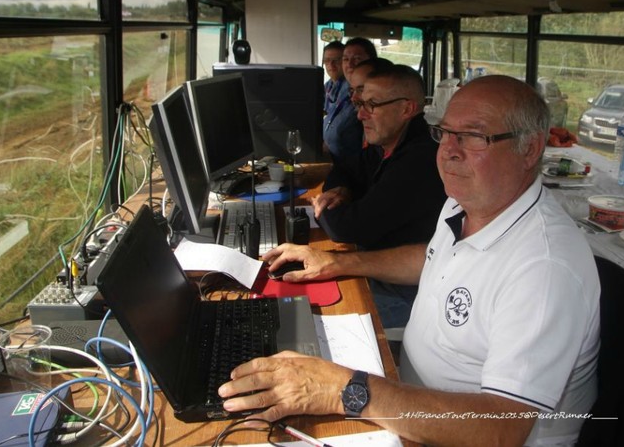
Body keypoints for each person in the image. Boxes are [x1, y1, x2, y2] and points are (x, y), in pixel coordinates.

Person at [218, 75, 601, 447]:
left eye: (472, 136)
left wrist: (344, 390)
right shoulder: (465, 202)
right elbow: (432, 258)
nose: (449, 150)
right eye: (445, 132)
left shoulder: (544, 269)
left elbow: (500, 429)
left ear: (530, 148)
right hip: (408, 397)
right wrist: (339, 264)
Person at [312, 63, 447, 328]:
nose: (361, 115)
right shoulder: (386, 145)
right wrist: (343, 190)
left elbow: (348, 229)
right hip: (373, 266)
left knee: (311, 316)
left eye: (372, 105)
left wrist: (324, 205)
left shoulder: (419, 161)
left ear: (406, 109)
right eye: (360, 103)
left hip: (409, 293)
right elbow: (344, 169)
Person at [321, 40, 363, 168]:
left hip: (351, 162)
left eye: (336, 60)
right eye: (327, 61)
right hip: (330, 159)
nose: (331, 65)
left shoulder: (353, 90)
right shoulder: (326, 88)